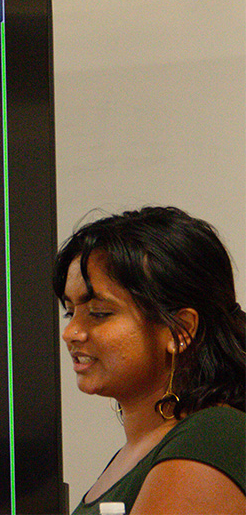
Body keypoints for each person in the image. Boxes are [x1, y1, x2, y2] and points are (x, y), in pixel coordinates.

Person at [55, 206, 245, 514]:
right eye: (69, 312)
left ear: (180, 330)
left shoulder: (211, 437)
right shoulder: (142, 449)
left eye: (99, 313)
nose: (71, 333)